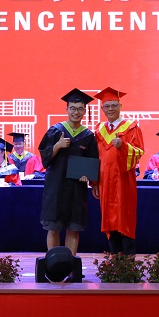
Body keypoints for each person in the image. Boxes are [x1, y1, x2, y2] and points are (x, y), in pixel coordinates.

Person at [39, 88, 99, 255]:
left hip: (76, 188)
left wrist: (90, 178)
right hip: (56, 186)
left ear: (85, 111)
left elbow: (93, 161)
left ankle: (70, 263)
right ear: (66, 109)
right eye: (72, 108)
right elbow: (44, 157)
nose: (76, 112)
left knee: (74, 227)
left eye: (80, 109)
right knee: (53, 228)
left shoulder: (88, 136)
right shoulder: (55, 131)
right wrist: (57, 146)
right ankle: (53, 262)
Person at [93, 87, 144, 255]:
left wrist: (123, 146)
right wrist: (94, 182)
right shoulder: (99, 130)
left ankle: (127, 262)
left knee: (125, 218)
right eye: (106, 106)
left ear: (120, 106)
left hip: (124, 182)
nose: (110, 109)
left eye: (114, 105)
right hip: (105, 182)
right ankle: (114, 260)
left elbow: (139, 152)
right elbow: (94, 157)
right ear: (102, 109)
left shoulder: (131, 128)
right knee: (109, 219)